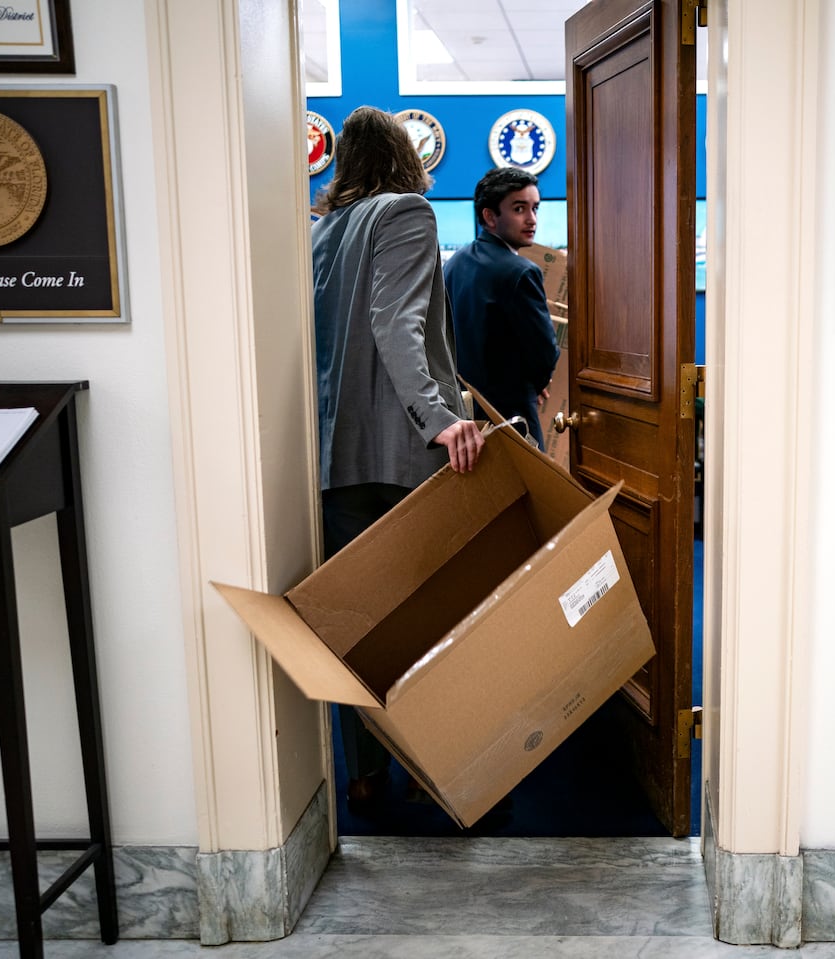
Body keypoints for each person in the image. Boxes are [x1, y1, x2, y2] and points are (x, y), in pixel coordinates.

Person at [310, 105, 484, 811]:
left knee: (362, 628)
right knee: (428, 622)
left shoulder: (328, 229)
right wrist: (439, 418)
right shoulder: (407, 212)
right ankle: (425, 765)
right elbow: (396, 321)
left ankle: (365, 773)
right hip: (400, 455)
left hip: (336, 457)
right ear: (404, 159)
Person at [443, 167, 560, 450]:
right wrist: (537, 381)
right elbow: (544, 352)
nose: (531, 219)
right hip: (512, 416)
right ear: (490, 216)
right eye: (519, 209)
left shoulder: (454, 263)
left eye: (535, 208)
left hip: (464, 417)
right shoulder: (521, 271)